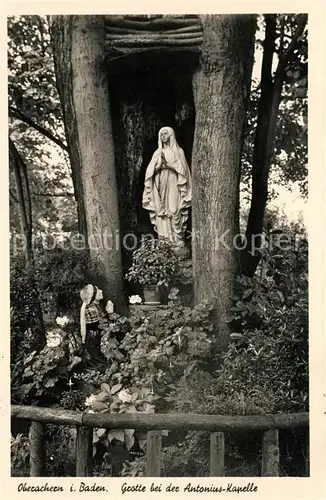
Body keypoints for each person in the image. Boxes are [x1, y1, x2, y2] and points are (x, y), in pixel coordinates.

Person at [142, 126, 192, 247]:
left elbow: (183, 170)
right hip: (160, 183)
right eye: (161, 134)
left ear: (171, 135)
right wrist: (158, 167)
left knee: (174, 209)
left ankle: (178, 238)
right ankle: (165, 239)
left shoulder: (179, 152)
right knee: (161, 210)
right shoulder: (157, 153)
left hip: (174, 182)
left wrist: (168, 164)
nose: (163, 136)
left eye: (165, 133)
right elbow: (149, 171)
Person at [79, 284, 113, 367]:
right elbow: (102, 324)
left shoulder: (95, 305)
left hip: (96, 335)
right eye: (98, 291)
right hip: (94, 337)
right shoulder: (91, 309)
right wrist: (111, 313)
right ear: (92, 296)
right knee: (99, 359)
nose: (101, 291)